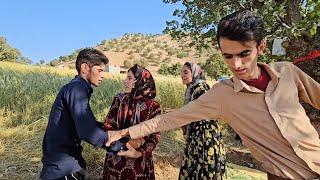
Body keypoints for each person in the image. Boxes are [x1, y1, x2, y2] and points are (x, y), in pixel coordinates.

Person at [106, 10, 320, 180]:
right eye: (228, 56)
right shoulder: (220, 95)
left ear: (261, 47)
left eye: (244, 54)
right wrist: (123, 132)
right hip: (284, 176)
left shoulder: (287, 72)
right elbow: (169, 119)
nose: (236, 65)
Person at [40, 48, 109, 180]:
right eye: (99, 70)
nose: (102, 75)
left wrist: (111, 130)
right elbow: (87, 131)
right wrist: (117, 145)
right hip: (63, 167)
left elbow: (85, 122)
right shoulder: (77, 89)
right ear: (84, 67)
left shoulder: (76, 88)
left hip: (65, 162)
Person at [102, 64, 161, 180]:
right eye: (126, 78)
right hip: (115, 159)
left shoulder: (153, 106)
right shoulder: (119, 100)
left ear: (140, 81)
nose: (125, 81)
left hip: (140, 163)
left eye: (129, 78)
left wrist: (140, 152)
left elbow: (155, 136)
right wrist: (119, 142)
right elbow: (108, 123)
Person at [179, 62, 226, 179]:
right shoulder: (193, 89)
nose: (182, 75)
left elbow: (195, 114)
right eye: (181, 72)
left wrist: (177, 115)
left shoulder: (201, 89)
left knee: (202, 170)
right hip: (198, 137)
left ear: (195, 73)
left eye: (185, 72)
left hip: (205, 140)